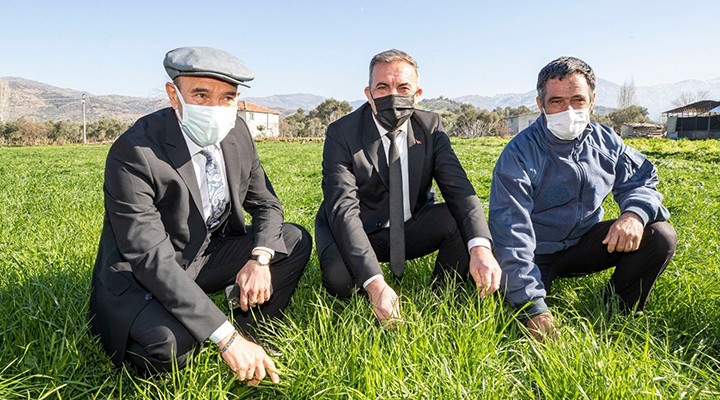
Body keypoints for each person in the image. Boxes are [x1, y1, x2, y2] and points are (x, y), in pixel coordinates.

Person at [89, 46, 312, 383]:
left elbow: (266, 204)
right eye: (201, 95)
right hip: (143, 273)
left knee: (292, 240)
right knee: (172, 348)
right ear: (174, 95)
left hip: (205, 254)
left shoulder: (237, 133)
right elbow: (149, 258)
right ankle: (220, 334)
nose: (215, 108)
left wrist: (259, 259)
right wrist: (225, 338)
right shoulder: (134, 152)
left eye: (227, 97)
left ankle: (251, 334)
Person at [489, 56, 677, 340]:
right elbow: (511, 232)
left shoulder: (606, 141)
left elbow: (641, 179)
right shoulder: (519, 154)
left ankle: (616, 311)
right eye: (556, 102)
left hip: (586, 244)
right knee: (516, 324)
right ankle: (531, 298)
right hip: (535, 252)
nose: (568, 110)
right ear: (541, 104)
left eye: (577, 100)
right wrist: (533, 307)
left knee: (660, 235)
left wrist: (634, 215)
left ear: (592, 101)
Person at [315, 49, 501, 325]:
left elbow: (460, 190)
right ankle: (373, 285)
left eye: (403, 88)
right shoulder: (342, 133)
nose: (393, 95)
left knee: (459, 221)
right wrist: (375, 284)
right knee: (339, 282)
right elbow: (344, 210)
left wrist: (480, 249)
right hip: (357, 228)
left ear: (418, 94)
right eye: (382, 87)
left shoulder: (431, 127)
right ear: (369, 94)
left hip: (410, 223)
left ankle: (442, 294)